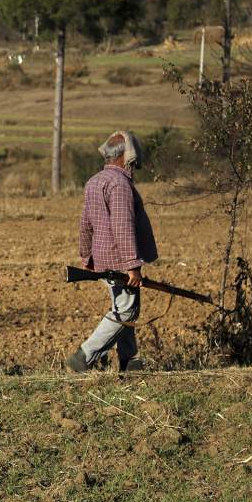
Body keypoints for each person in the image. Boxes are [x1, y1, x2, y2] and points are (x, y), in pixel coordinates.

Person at [66, 130, 158, 373]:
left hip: (103, 259)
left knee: (123, 307)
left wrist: (86, 256)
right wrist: (132, 264)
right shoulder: (119, 184)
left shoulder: (94, 181)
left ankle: (130, 362)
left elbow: (85, 223)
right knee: (127, 310)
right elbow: (122, 225)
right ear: (124, 156)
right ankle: (85, 356)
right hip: (119, 259)